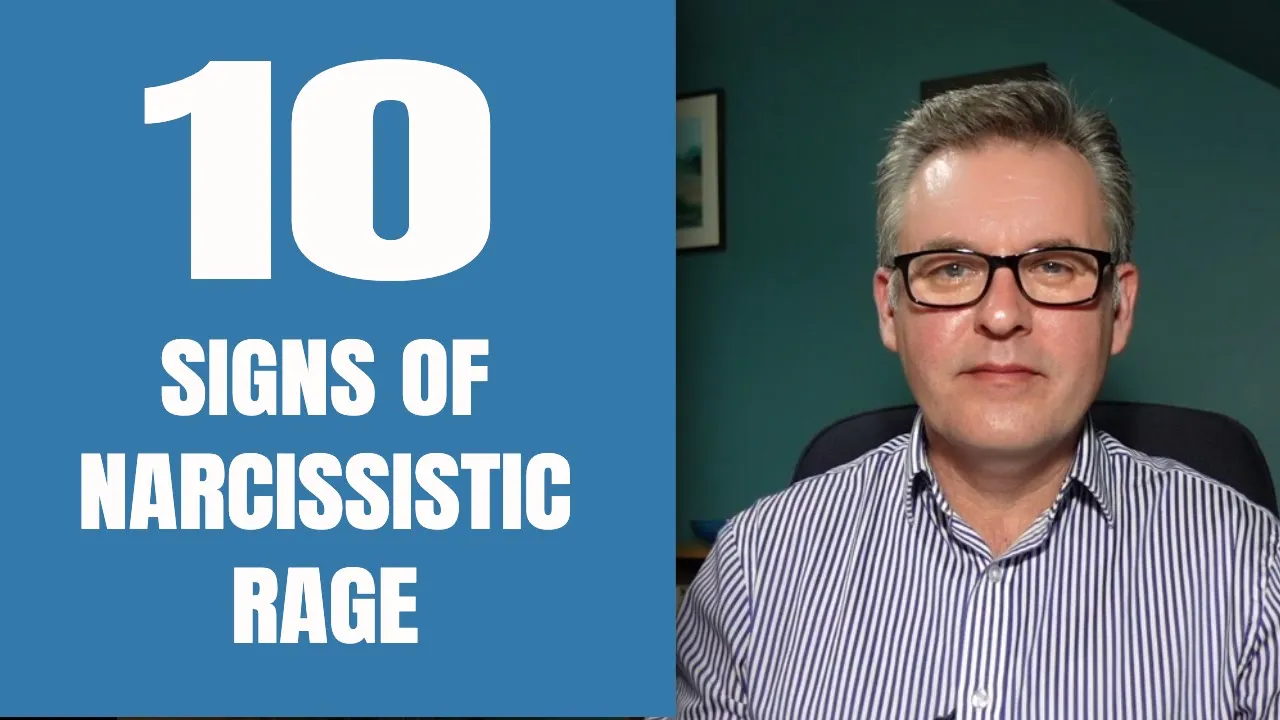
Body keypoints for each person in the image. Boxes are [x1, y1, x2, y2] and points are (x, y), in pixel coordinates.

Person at [670, 79, 1280, 718]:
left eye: (1055, 265)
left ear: (1119, 309)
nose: (1002, 314)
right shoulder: (750, 571)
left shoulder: (1253, 574)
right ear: (889, 309)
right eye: (951, 269)